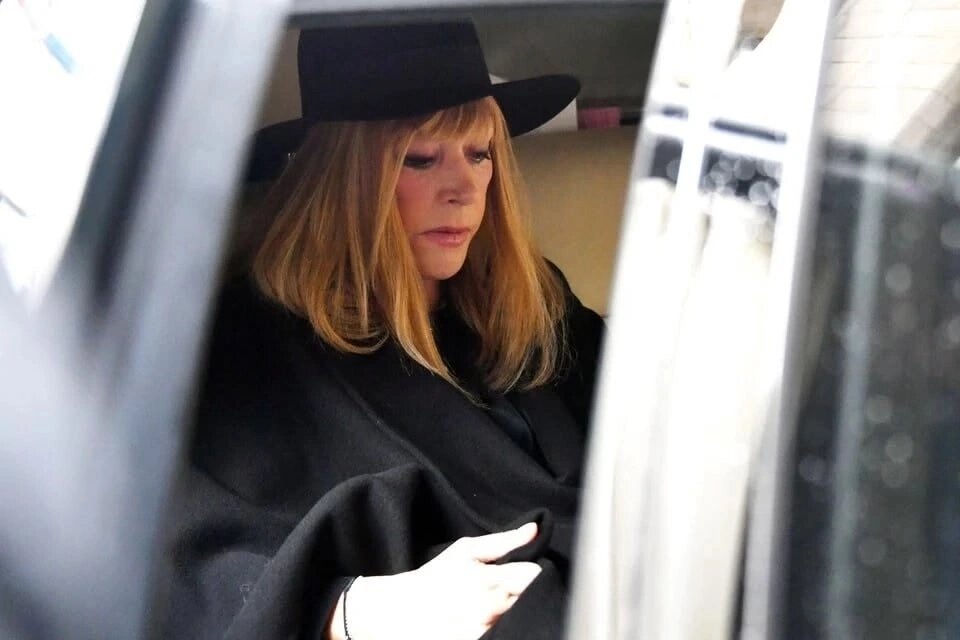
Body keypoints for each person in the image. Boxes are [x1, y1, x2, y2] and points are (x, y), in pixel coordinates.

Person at [159, 21, 605, 640]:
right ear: (344, 177)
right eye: (420, 158)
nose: (464, 189)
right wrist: (355, 611)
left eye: (480, 154)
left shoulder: (530, 297)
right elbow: (191, 562)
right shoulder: (251, 345)